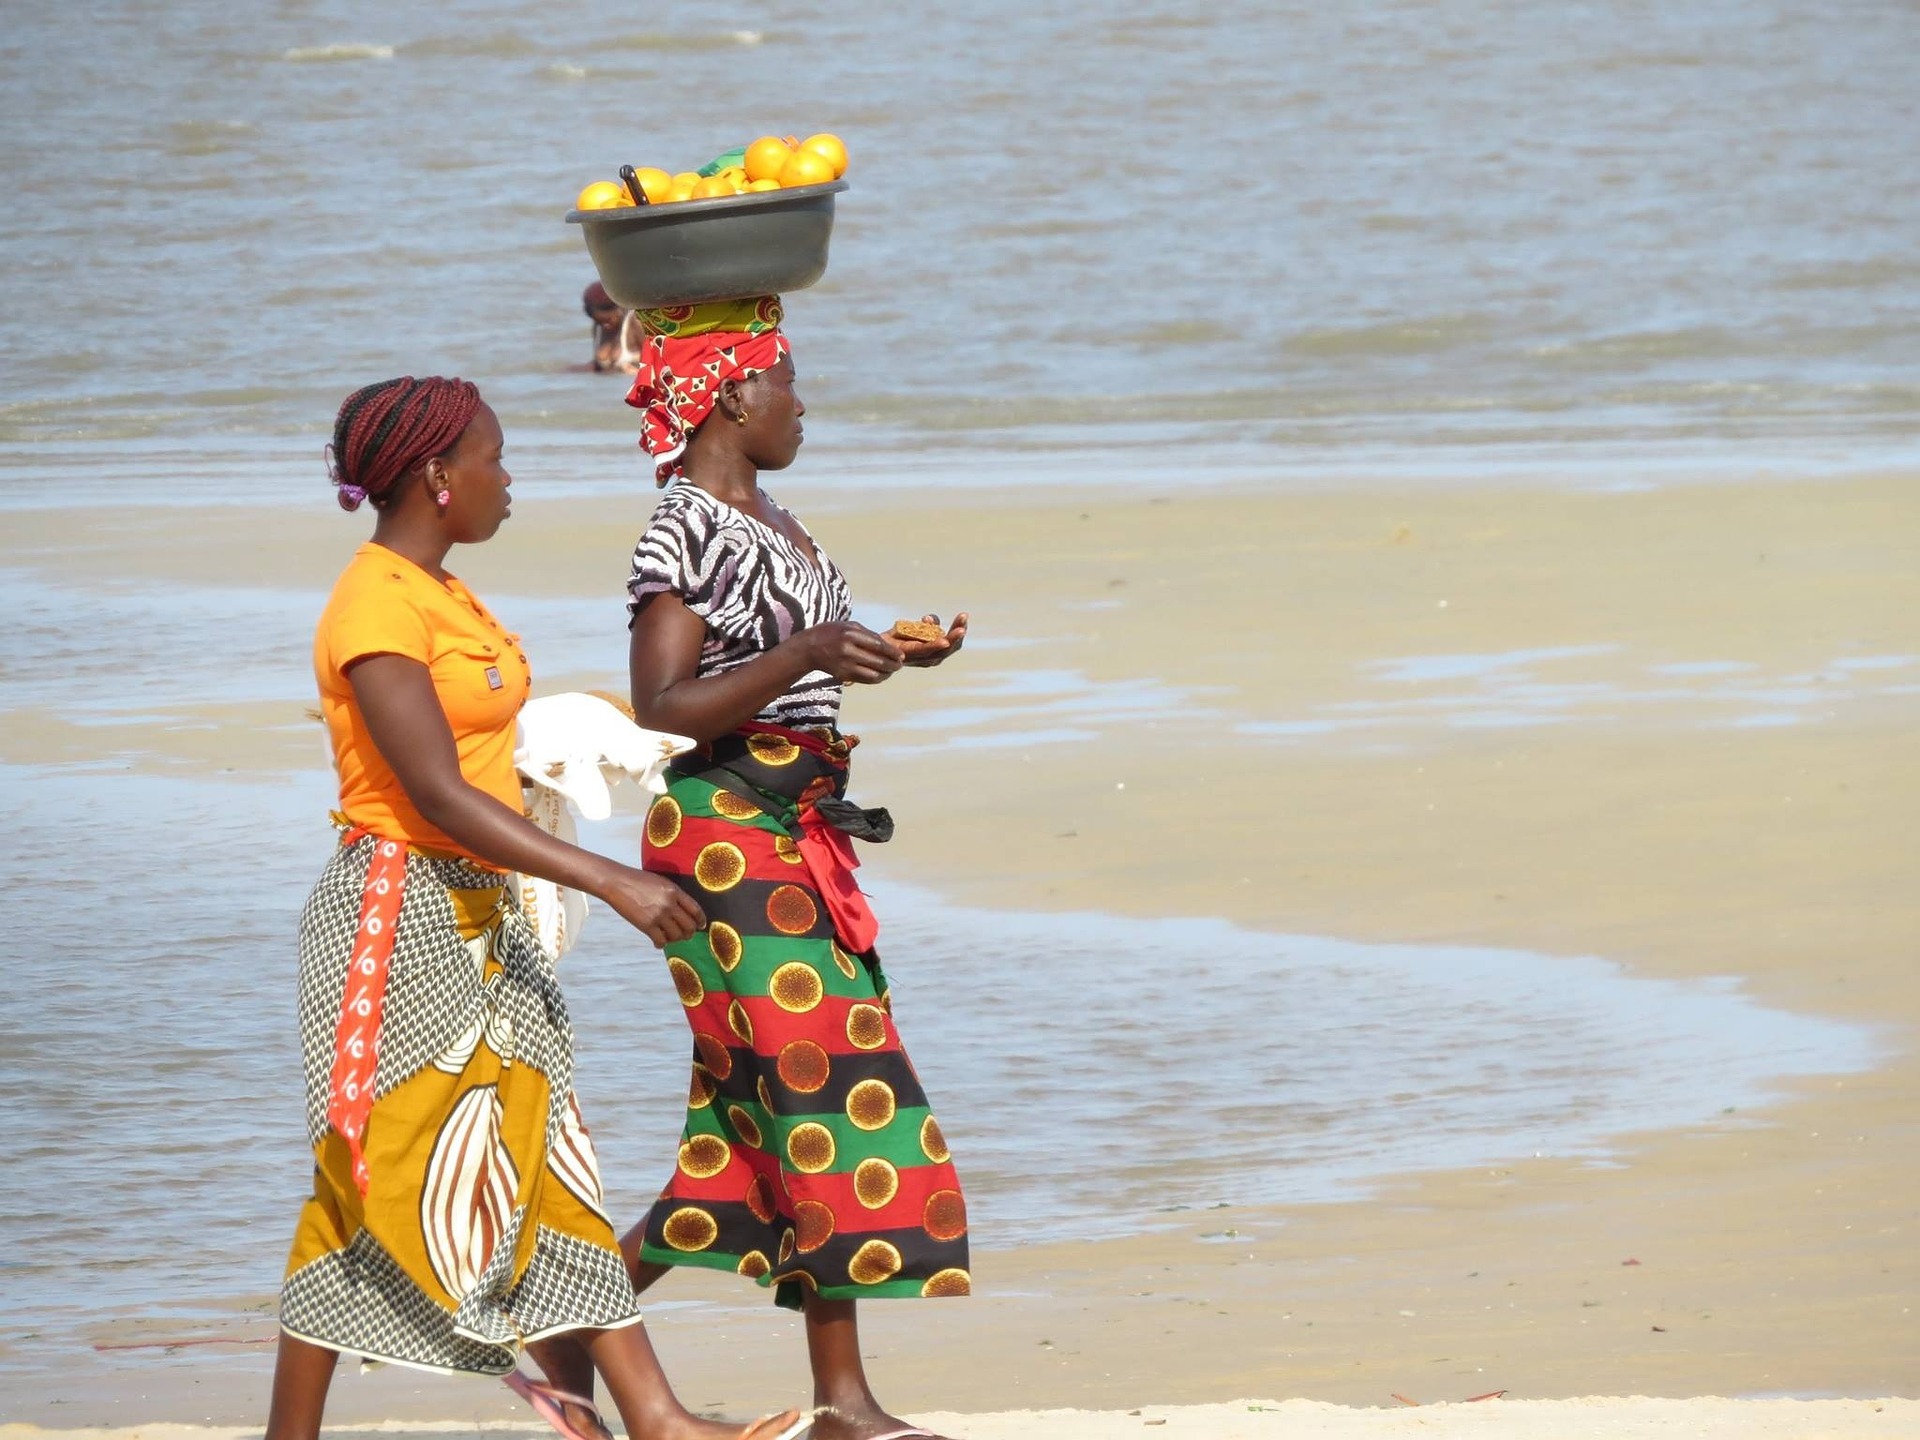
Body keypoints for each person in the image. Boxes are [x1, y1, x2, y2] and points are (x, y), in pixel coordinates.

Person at [266, 375, 802, 1440]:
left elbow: (481, 748)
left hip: (480, 905)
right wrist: (606, 876)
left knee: (546, 1147)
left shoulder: (445, 594)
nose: (507, 480)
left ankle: (654, 1420)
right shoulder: (374, 603)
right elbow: (433, 792)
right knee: (371, 1170)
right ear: (435, 476)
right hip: (399, 914)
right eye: (494, 459)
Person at [525, 297, 970, 1440]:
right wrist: (809, 651)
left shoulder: (774, 514)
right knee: (822, 1087)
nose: (804, 402)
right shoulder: (680, 526)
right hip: (727, 833)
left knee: (753, 1124)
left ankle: (568, 1345)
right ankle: (843, 1402)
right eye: (786, 383)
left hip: (796, 828)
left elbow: (792, 665)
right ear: (732, 394)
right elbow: (663, 705)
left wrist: (876, 653)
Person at [585, 281, 644, 374]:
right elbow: (597, 367)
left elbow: (657, 358)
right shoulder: (598, 328)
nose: (605, 326)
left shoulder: (635, 323)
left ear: (619, 309)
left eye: (608, 320)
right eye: (599, 322)